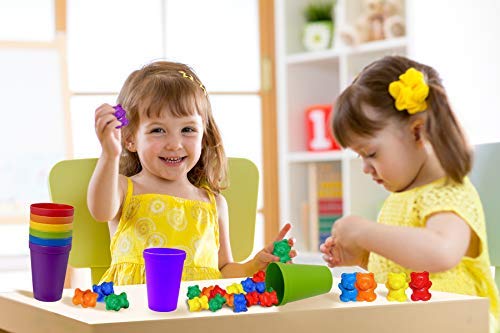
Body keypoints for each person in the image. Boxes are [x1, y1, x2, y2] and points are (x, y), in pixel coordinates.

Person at [319, 55, 499, 329]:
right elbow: (403, 271)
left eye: (371, 153)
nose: (366, 168)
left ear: (417, 132)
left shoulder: (448, 193)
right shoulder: (399, 197)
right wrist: (362, 258)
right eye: (360, 158)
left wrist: (364, 233)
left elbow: (442, 252)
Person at [88, 61, 295, 285]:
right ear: (130, 139)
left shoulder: (213, 203)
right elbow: (100, 211)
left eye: (187, 129)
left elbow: (224, 270)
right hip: (135, 314)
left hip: (196, 315)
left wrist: (255, 265)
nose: (175, 144)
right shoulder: (123, 189)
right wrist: (109, 154)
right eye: (158, 130)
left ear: (203, 136)